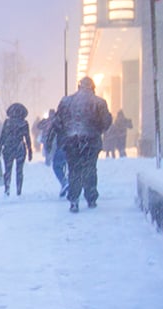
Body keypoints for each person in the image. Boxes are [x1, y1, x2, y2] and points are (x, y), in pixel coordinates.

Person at [50, 77, 112, 213]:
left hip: (72, 141)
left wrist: (66, 132)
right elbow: (106, 122)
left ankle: (73, 199)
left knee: (74, 170)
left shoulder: (66, 101)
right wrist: (97, 130)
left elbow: (57, 122)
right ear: (93, 87)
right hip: (91, 141)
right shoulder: (99, 102)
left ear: (79, 87)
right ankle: (91, 198)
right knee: (90, 169)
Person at [0, 103, 33, 196]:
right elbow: (27, 137)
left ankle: (7, 188)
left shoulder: (7, 122)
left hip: (8, 148)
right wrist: (29, 150)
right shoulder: (24, 123)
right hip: (20, 148)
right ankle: (18, 190)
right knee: (19, 170)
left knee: (8, 170)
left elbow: (2, 136)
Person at [41, 109, 69, 194]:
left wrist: (48, 146)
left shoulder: (57, 122)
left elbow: (51, 134)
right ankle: (70, 184)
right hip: (73, 147)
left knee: (57, 166)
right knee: (73, 168)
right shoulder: (74, 120)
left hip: (62, 146)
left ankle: (64, 182)